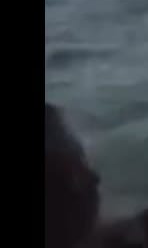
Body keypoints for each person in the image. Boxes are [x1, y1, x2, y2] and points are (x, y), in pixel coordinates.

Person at [46, 103, 101, 248]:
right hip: (80, 220)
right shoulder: (67, 143)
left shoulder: (61, 151)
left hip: (70, 223)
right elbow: (92, 178)